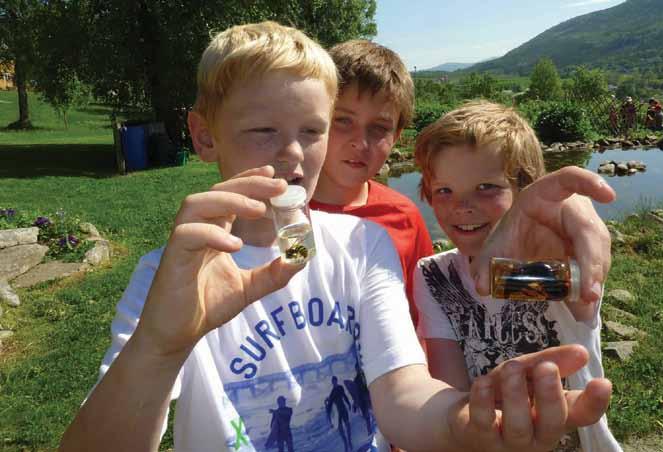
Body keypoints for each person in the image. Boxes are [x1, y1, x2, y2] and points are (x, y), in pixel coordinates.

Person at [59, 21, 617, 452]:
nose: (294, 155)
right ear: (205, 136)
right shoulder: (171, 277)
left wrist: (557, 259)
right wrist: (161, 345)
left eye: (312, 131)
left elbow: (505, 291)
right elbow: (457, 291)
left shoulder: (376, 236)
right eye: (443, 192)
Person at [413, 101, 621, 452]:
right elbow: (450, 386)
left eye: (486, 187)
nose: (462, 206)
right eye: (444, 190)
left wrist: (570, 216)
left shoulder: (542, 266)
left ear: (525, 191)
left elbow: (581, 281)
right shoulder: (435, 275)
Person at [310, 40, 433, 326]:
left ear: (397, 135)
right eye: (342, 120)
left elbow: (423, 322)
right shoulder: (287, 214)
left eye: (378, 128)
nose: (360, 142)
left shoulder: (404, 218)